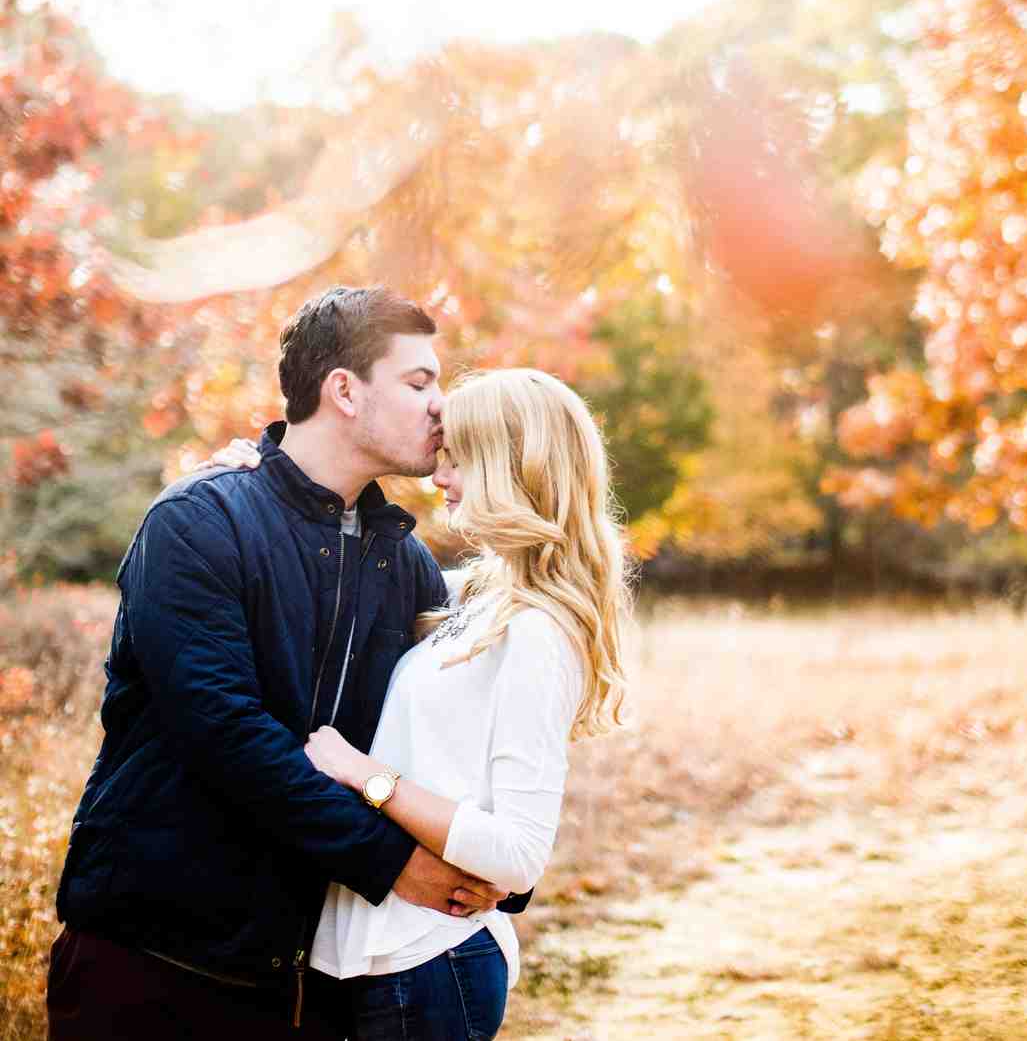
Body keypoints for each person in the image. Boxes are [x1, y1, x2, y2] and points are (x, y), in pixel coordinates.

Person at [46, 286, 530, 1041]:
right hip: (152, 964)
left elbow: (451, 734)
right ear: (343, 389)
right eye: (418, 381)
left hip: (306, 986)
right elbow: (226, 735)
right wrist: (393, 862)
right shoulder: (200, 522)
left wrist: (491, 867)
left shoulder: (406, 567)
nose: (442, 405)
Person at [214, 366, 631, 1040]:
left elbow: (520, 852)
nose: (441, 476)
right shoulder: (480, 597)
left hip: (431, 962)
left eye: (460, 457)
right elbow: (339, 578)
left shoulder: (538, 631)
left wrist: (365, 774)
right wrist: (254, 489)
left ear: (513, 465)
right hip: (373, 954)